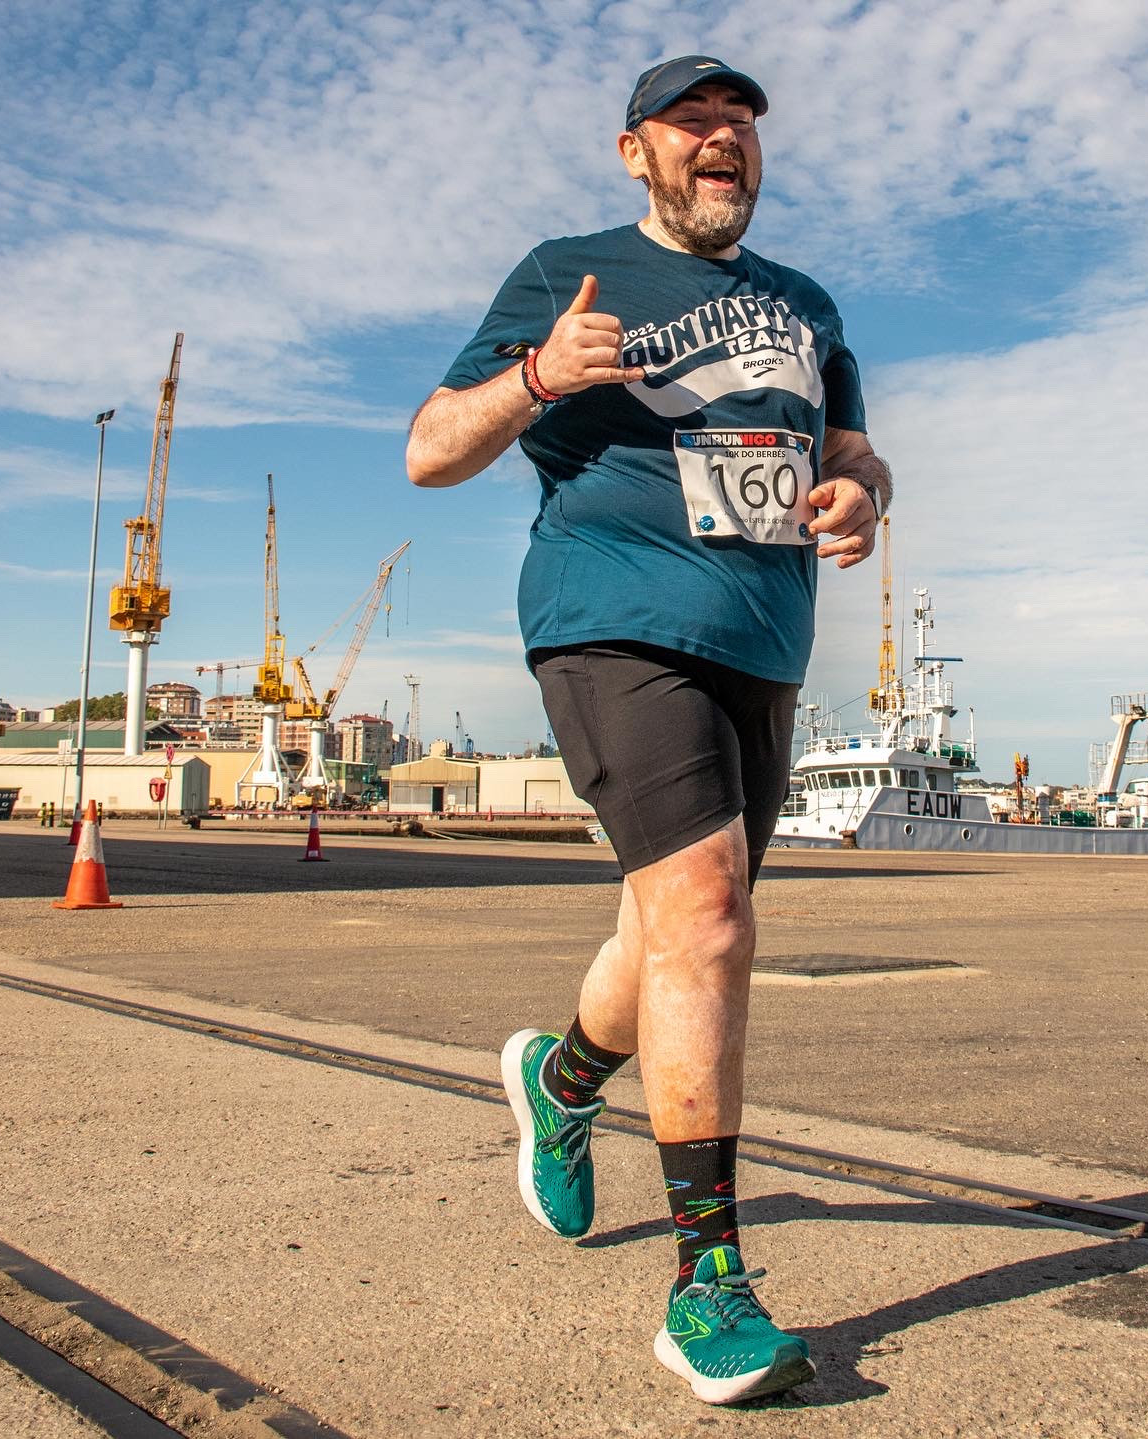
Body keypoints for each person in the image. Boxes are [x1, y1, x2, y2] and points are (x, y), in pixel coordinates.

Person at [406, 55, 891, 1405]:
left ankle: (562, 1082)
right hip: (609, 618)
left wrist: (862, 498)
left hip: (763, 643)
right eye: (695, 124)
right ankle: (707, 1286)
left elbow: (852, 455)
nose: (724, 140)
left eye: (740, 125)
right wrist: (541, 376)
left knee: (668, 926)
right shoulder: (570, 270)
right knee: (712, 919)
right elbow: (432, 448)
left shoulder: (807, 305)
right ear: (638, 153)